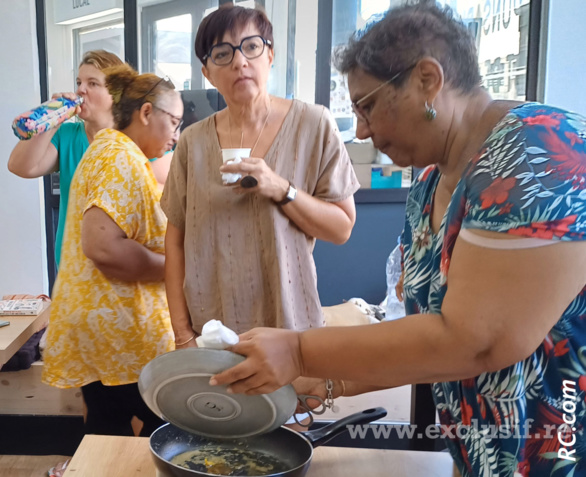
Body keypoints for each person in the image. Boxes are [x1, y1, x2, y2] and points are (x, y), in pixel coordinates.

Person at [210, 2, 586, 476]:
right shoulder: (429, 184)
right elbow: (426, 339)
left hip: (560, 452)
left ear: (428, 79)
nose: (362, 130)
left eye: (367, 105)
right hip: (482, 455)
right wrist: (316, 381)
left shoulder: (538, 153)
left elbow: (476, 341)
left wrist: (299, 351)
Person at [160, 4, 359, 349]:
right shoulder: (192, 143)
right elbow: (175, 242)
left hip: (288, 323)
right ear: (207, 72)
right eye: (222, 54)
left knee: (287, 404)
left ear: (270, 54)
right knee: (217, 403)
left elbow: (342, 228)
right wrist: (182, 334)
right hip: (210, 329)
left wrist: (281, 189)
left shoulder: (314, 125)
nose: (240, 62)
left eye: (251, 47)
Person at [42, 64, 183, 437]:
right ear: (147, 112)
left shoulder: (119, 152)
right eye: (174, 122)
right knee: (167, 430)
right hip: (119, 334)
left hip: (111, 331)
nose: (176, 134)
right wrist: (174, 268)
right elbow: (103, 247)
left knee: (108, 433)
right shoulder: (117, 156)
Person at [8, 50, 173, 264]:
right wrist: (52, 119)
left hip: (126, 272)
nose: (80, 90)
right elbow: (21, 167)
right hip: (74, 274)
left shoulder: (144, 140)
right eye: (79, 82)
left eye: (93, 83)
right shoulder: (67, 136)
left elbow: (172, 206)